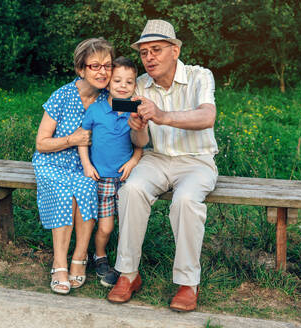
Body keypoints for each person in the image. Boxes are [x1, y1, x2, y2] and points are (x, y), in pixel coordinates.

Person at [105, 19, 219, 313]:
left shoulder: (199, 76)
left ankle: (187, 283)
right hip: (157, 158)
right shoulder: (140, 84)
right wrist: (138, 125)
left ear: (175, 50)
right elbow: (140, 140)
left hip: (197, 161)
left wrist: (162, 115)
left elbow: (207, 117)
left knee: (185, 200)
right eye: (144, 53)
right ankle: (129, 274)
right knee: (131, 190)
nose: (149, 58)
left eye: (156, 50)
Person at [32, 38, 115, 295]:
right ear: (81, 69)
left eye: (108, 65)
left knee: (87, 186)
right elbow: (41, 144)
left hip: (87, 165)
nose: (103, 72)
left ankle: (79, 258)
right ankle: (59, 263)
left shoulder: (111, 98)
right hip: (52, 162)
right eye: (95, 66)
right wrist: (73, 139)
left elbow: (139, 111)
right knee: (62, 192)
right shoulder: (62, 96)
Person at [77, 56, 142, 281]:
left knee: (127, 225)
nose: (123, 86)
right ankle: (100, 256)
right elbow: (83, 139)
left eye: (129, 82)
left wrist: (134, 161)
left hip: (126, 178)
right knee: (105, 227)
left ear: (135, 85)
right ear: (108, 83)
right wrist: (86, 164)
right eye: (117, 81)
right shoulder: (96, 110)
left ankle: (126, 263)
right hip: (103, 178)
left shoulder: (135, 109)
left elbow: (140, 144)